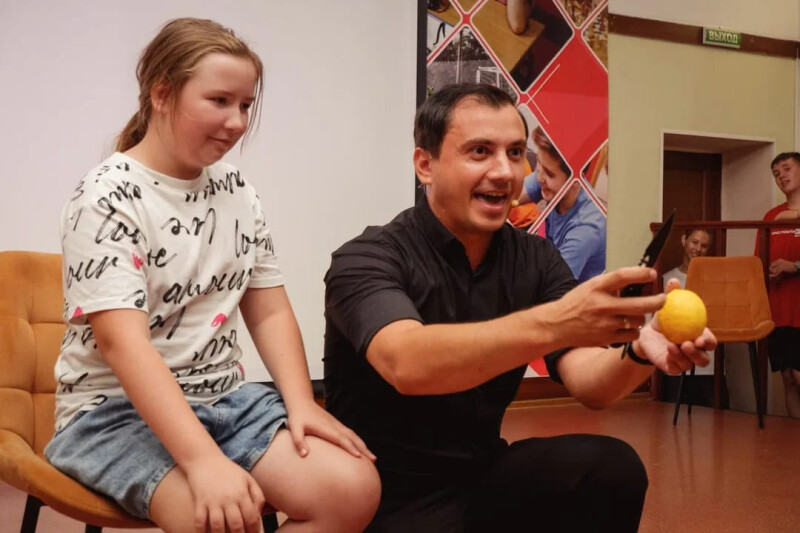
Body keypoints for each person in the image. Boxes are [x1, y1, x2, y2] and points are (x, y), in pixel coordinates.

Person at [323, 83, 715, 532]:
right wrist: (558, 321)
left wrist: (639, 352)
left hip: (481, 476)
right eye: (479, 152)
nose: (504, 172)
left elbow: (589, 382)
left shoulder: (535, 258)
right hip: (383, 496)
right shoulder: (368, 257)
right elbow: (406, 362)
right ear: (425, 165)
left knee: (611, 467)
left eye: (514, 153)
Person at [45, 18, 380, 532]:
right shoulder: (106, 197)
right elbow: (122, 344)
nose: (238, 121)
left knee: (352, 489)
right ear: (162, 94)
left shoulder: (236, 190)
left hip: (224, 399)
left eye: (245, 105)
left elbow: (269, 309)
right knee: (220, 520)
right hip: (113, 413)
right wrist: (202, 461)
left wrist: (301, 403)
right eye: (219, 101)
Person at [518, 126, 606, 282]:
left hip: (572, 292)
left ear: (575, 182)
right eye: (539, 165)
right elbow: (513, 194)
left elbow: (550, 285)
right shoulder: (554, 180)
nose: (539, 178)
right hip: (550, 262)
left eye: (549, 173)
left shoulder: (586, 229)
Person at [755, 152, 800, 419]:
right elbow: (757, 261)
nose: (781, 175)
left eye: (786, 168)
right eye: (776, 173)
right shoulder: (771, 216)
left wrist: (794, 266)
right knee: (788, 378)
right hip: (778, 311)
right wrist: (766, 273)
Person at [661, 229, 719, 408]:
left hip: (708, 367)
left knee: (712, 420)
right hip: (675, 366)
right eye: (694, 242)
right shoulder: (667, 280)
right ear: (684, 240)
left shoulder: (715, 280)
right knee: (670, 417)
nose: (698, 249)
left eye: (704, 246)